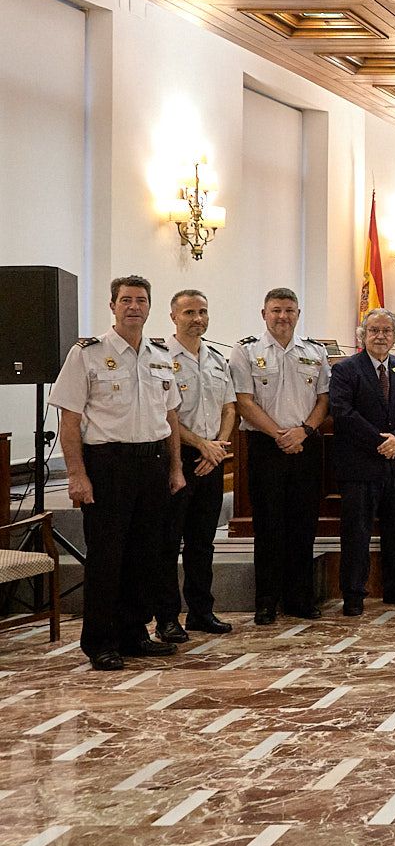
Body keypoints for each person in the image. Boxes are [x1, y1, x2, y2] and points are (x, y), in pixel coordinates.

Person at [50, 275, 185, 670]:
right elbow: (70, 420)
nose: (133, 307)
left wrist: (176, 468)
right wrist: (77, 474)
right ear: (112, 306)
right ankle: (101, 641)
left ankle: (134, 632)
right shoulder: (87, 355)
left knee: (146, 556)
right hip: (108, 465)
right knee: (107, 558)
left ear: (149, 307)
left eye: (141, 300)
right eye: (125, 300)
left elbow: (171, 416)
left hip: (153, 463)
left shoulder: (160, 355)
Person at [231, 287, 331, 624]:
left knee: (303, 526)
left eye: (289, 310)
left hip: (305, 444)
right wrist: (280, 435)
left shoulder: (314, 352)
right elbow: (244, 401)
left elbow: (323, 400)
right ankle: (266, 600)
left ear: (298, 314)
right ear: (264, 314)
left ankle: (299, 598)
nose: (283, 317)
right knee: (268, 526)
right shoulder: (246, 351)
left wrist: (303, 432)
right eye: (276, 310)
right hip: (265, 446)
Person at [329, 308, 395, 616]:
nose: (381, 336)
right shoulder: (346, 370)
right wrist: (379, 441)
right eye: (374, 331)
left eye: (387, 331)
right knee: (356, 531)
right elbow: (342, 412)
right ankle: (354, 594)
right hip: (361, 466)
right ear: (363, 336)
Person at [153, 289, 234, 641]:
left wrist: (216, 448)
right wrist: (201, 445)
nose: (197, 318)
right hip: (177, 458)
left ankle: (201, 612)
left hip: (212, 458)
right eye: (189, 312)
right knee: (168, 543)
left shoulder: (216, 359)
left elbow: (229, 407)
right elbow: (165, 415)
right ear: (173, 316)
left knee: (203, 542)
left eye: (202, 311)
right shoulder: (159, 359)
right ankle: (167, 618)